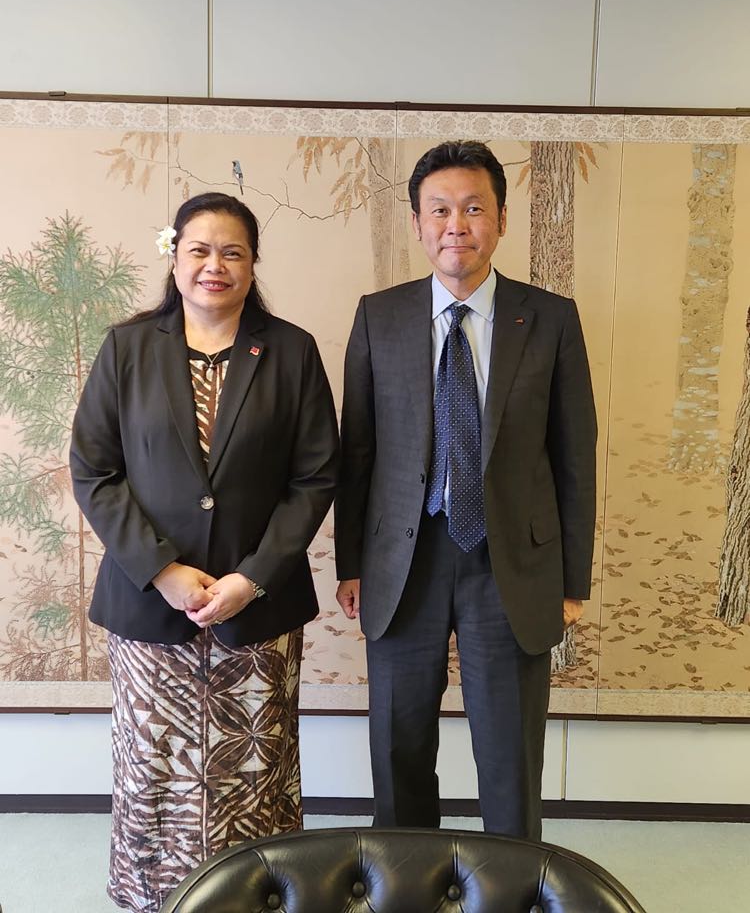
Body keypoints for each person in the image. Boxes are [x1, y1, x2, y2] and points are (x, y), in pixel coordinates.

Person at [70, 192, 338, 912]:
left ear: (252, 264)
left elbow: (315, 477)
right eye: (199, 249)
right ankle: (153, 898)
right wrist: (160, 569)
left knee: (255, 765)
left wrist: (252, 577)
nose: (214, 265)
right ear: (174, 256)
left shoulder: (291, 351)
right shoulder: (128, 348)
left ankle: (259, 896)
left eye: (232, 252)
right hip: (147, 604)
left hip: (258, 607)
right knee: (155, 765)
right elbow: (94, 471)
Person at [335, 141, 597, 840]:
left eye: (475, 208)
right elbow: (357, 453)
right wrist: (351, 564)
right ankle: (405, 881)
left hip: (509, 562)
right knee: (399, 748)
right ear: (418, 223)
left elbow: (575, 456)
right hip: (403, 560)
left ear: (501, 220)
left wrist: (573, 579)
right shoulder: (379, 316)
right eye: (440, 210)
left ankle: (509, 886)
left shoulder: (550, 318)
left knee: (510, 755)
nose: (457, 225)